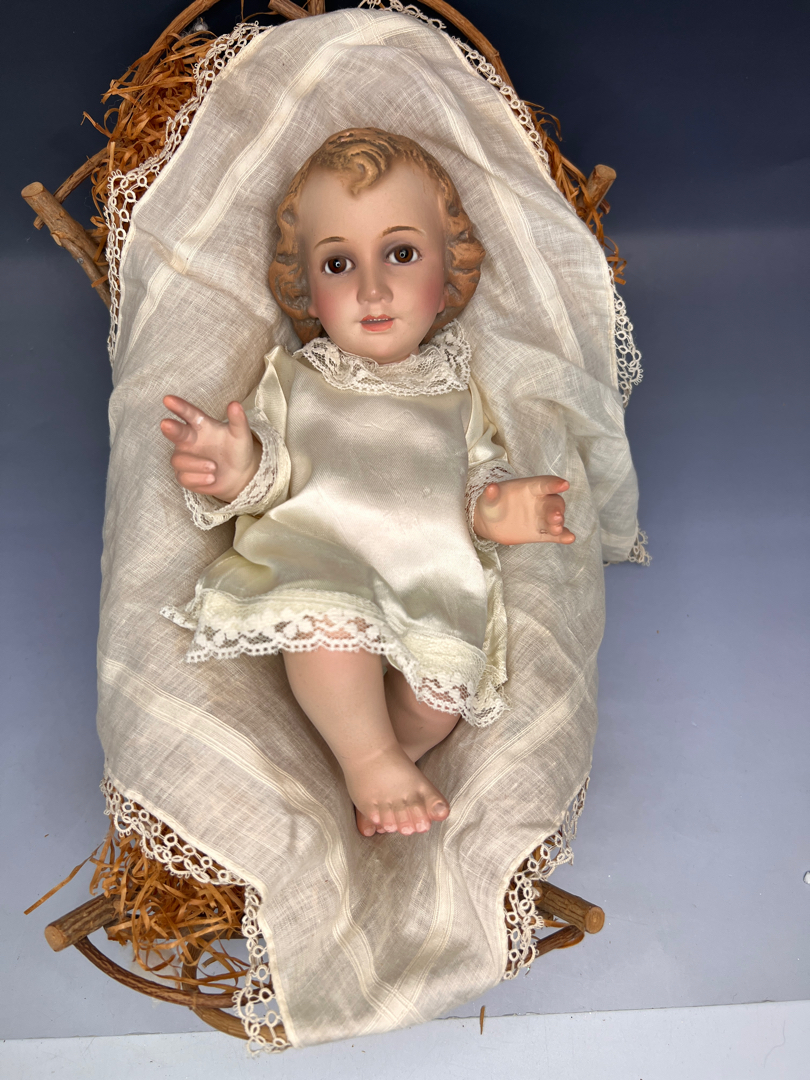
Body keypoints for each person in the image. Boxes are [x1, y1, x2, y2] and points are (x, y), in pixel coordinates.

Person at [159, 129, 574, 840]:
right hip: (324, 559)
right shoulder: (299, 378)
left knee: (440, 696)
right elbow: (273, 470)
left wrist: (500, 506)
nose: (372, 289)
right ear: (306, 288)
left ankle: (394, 754)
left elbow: (477, 471)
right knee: (331, 632)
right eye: (338, 263)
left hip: (427, 578)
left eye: (401, 254)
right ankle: (370, 759)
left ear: (449, 270)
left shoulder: (457, 391)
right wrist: (236, 468)